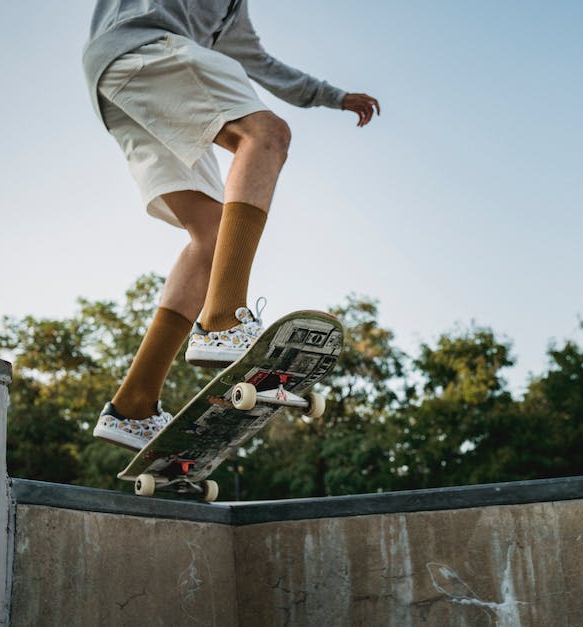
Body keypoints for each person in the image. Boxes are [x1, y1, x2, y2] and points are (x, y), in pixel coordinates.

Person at [82, 0, 380, 450]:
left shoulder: (230, 12)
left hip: (123, 86)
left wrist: (331, 95)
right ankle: (222, 320)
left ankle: (133, 406)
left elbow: (260, 63)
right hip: (140, 51)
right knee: (265, 135)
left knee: (211, 235)